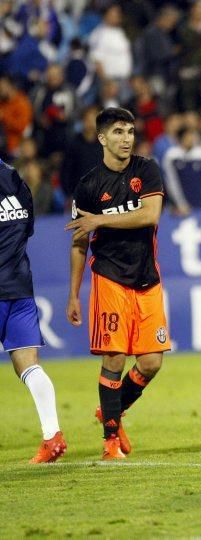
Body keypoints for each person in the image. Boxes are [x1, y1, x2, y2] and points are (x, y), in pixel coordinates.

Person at [65, 107, 171, 460]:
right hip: (109, 278)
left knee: (152, 363)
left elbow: (150, 215)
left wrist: (100, 221)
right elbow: (79, 242)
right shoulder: (89, 186)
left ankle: (110, 410)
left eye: (130, 131)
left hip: (147, 278)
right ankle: (110, 441)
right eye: (118, 132)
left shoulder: (147, 170)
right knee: (114, 355)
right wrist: (73, 295)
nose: (126, 139)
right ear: (102, 138)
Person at [1, 158, 66, 463]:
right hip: (20, 288)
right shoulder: (17, 181)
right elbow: (28, 229)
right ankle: (52, 436)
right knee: (28, 365)